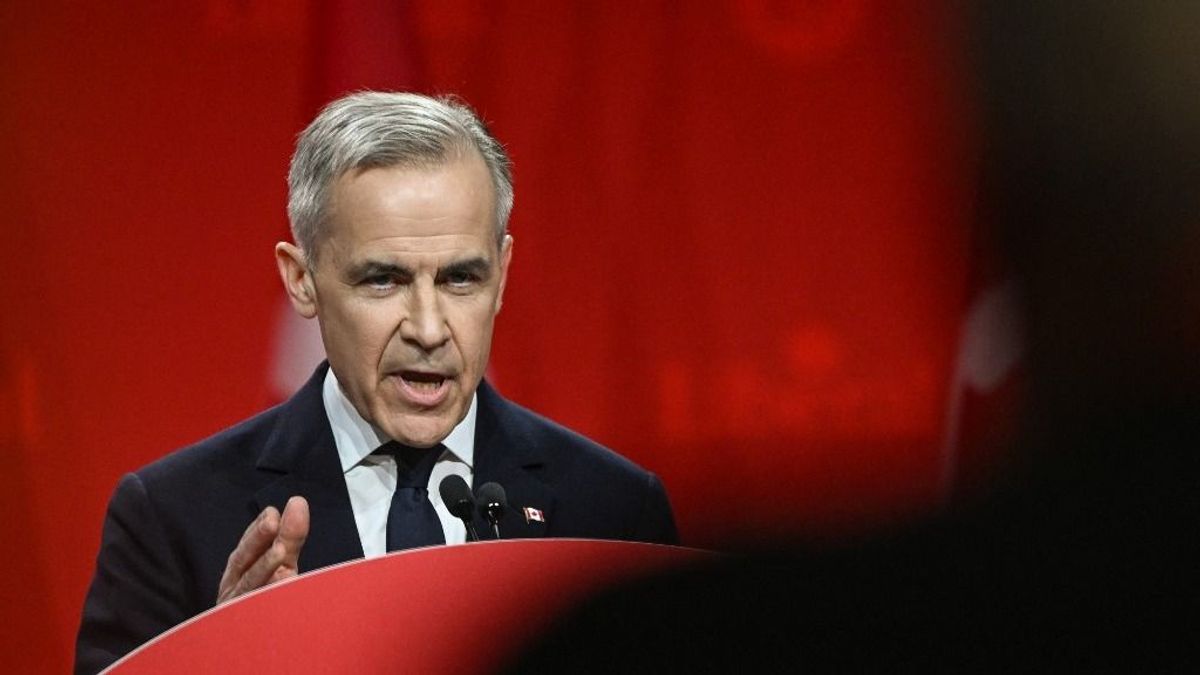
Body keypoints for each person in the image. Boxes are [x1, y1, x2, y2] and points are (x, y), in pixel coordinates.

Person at [75, 92, 678, 674]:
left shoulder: (614, 514)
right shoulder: (171, 520)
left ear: (503, 274)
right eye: (383, 280)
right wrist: (222, 657)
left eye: (461, 278)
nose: (428, 328)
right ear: (302, 280)